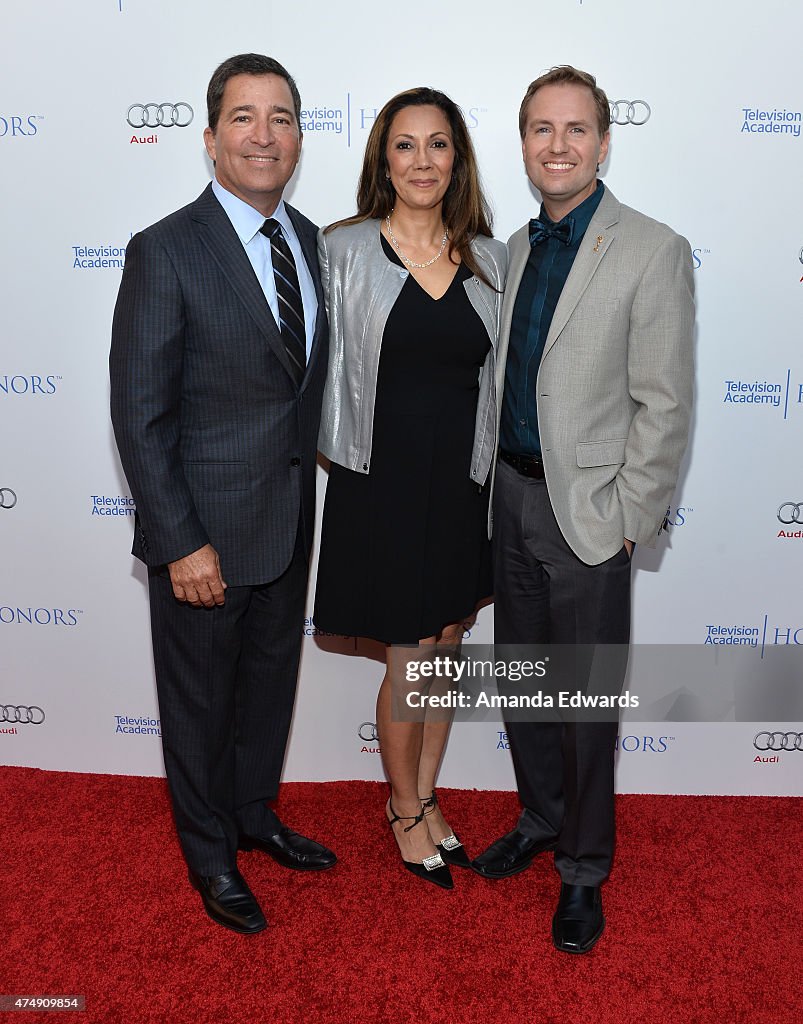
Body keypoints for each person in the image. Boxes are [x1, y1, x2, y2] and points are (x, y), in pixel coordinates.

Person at [109, 53, 336, 936]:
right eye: (243, 118)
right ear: (210, 139)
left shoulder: (313, 241)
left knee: (267, 687)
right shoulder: (165, 248)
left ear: (298, 139)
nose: (263, 135)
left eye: (280, 118)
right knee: (199, 701)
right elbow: (139, 411)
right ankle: (209, 857)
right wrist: (179, 541)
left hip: (286, 521)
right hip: (203, 533)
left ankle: (253, 816)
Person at [471, 67, 694, 952]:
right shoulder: (514, 247)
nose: (555, 146)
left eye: (574, 130)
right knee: (525, 684)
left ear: (604, 142)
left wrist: (629, 516)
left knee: (584, 702)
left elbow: (665, 404)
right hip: (512, 500)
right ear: (522, 143)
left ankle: (584, 869)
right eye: (539, 130)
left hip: (590, 514)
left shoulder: (651, 246)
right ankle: (538, 820)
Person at [314, 87, 507, 890]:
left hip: (461, 484)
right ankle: (401, 810)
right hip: (380, 481)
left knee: (447, 651)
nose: (421, 161)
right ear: (382, 159)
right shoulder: (341, 249)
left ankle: (426, 796)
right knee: (408, 656)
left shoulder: (493, 259)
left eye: (437, 145)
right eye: (404, 145)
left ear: (455, 158)